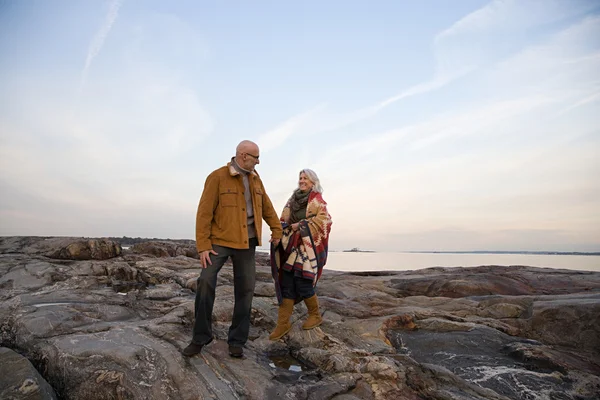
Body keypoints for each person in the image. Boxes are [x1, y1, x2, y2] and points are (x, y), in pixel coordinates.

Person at [183, 140, 283, 358]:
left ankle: (237, 341)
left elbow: (267, 207)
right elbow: (204, 213)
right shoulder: (217, 177)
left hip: (247, 243)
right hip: (219, 241)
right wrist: (203, 246)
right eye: (256, 157)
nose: (258, 162)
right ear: (243, 155)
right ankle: (200, 337)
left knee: (246, 291)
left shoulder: (257, 180)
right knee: (205, 282)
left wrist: (277, 230)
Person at [269, 169, 332, 340]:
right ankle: (283, 324)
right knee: (286, 283)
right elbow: (283, 221)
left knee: (303, 282)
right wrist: (277, 235)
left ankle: (315, 315)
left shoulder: (318, 201)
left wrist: (302, 225)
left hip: (307, 248)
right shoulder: (291, 201)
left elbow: (325, 221)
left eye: (306, 178)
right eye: (300, 178)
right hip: (290, 248)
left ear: (313, 182)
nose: (302, 181)